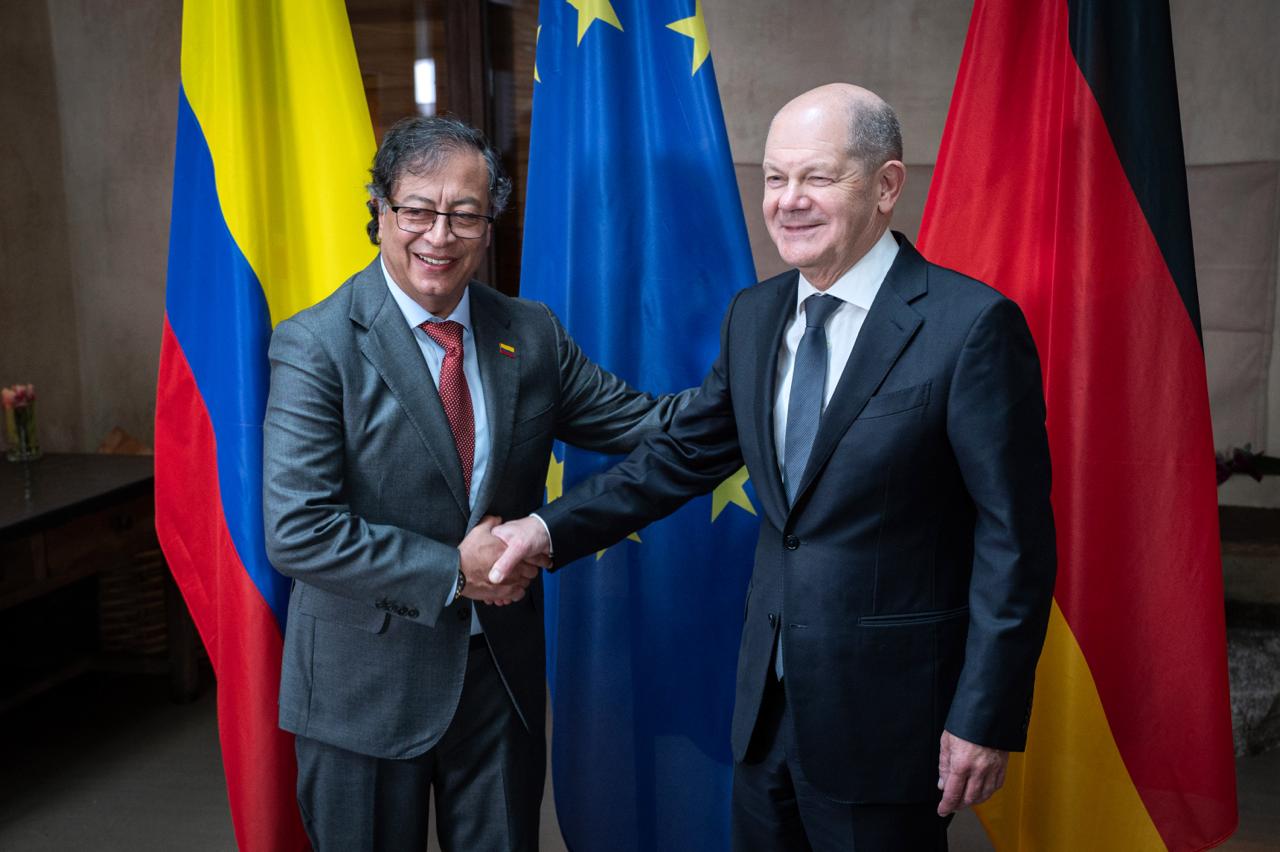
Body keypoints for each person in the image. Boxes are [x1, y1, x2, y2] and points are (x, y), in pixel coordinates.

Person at [490, 84, 1057, 851]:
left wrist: (981, 716)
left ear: (887, 185)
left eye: (818, 177)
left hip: (892, 724)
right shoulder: (755, 315)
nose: (788, 201)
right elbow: (680, 456)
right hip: (765, 711)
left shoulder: (971, 328)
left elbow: (1014, 542)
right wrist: (545, 530)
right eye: (774, 178)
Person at [262, 115, 688, 851]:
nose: (439, 235)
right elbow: (298, 529)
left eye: (465, 214)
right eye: (418, 210)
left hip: (498, 680)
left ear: (490, 224)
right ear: (379, 212)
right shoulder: (316, 343)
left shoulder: (531, 332)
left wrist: (767, 376)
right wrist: (451, 572)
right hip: (362, 688)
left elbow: (653, 426)